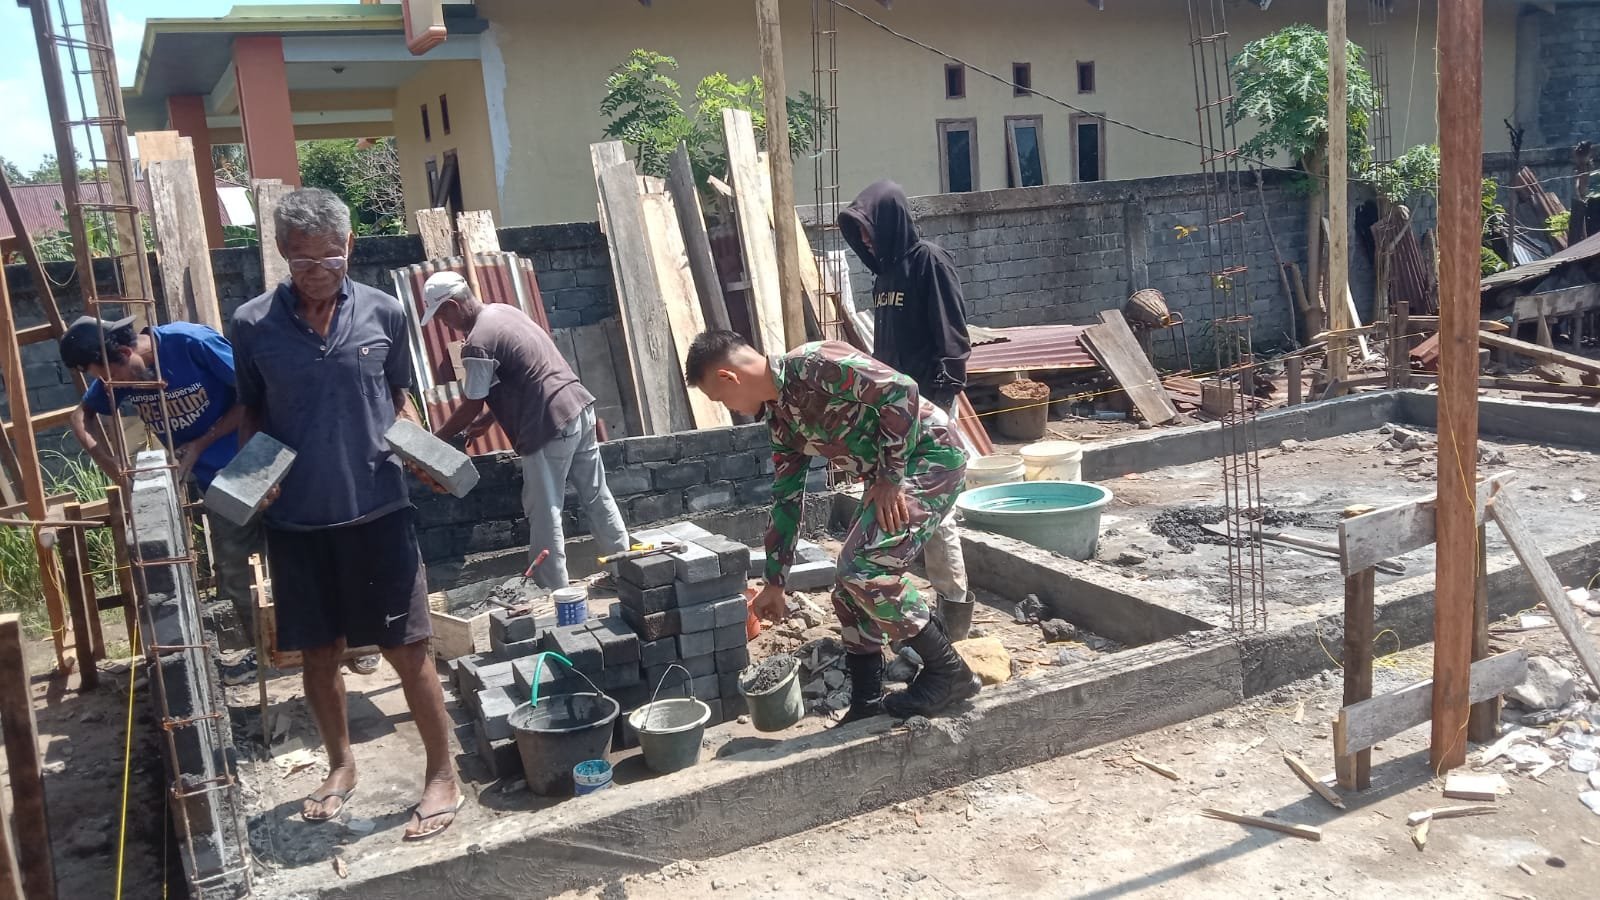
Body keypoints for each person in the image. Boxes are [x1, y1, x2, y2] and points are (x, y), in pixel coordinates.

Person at [230, 187, 460, 840]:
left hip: (379, 513)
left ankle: (443, 773)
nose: (320, 273)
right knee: (318, 655)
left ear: (350, 245)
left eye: (332, 258)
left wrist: (420, 450)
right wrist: (253, 479)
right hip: (298, 524)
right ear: (282, 251)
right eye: (305, 262)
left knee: (408, 650)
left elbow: (400, 398)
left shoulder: (385, 312)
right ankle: (340, 764)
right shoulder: (252, 324)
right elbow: (252, 410)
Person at [685, 331, 980, 721]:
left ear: (729, 377)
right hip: (891, 477)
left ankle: (949, 672)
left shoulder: (815, 363)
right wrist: (775, 581)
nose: (729, 408)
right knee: (847, 587)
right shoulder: (782, 421)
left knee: (865, 568)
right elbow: (787, 498)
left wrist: (889, 477)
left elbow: (901, 390)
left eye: (721, 399)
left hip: (931, 457)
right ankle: (866, 702)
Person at [60, 315, 262, 685]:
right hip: (216, 481)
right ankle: (262, 654)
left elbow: (254, 393)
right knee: (236, 568)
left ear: (126, 352)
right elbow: (80, 417)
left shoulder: (190, 343)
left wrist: (200, 443)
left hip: (256, 460)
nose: (112, 388)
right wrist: (114, 467)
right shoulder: (120, 374)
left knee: (299, 551)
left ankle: (346, 639)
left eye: (111, 377)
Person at [420, 271, 630, 588]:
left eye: (441, 315)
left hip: (547, 425)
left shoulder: (477, 343)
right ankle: (625, 573)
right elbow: (524, 374)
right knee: (597, 496)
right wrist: (488, 420)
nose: (444, 323)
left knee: (544, 511)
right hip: (578, 408)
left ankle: (553, 591)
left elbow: (470, 405)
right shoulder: (504, 312)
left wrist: (433, 441)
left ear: (452, 305)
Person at [838, 180, 973, 614]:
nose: (864, 239)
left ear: (890, 222)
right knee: (891, 500)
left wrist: (942, 400)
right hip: (892, 411)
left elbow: (952, 334)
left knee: (936, 509)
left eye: (868, 229)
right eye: (859, 232)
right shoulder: (885, 276)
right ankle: (882, 594)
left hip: (929, 405)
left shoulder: (928, 261)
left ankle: (953, 606)